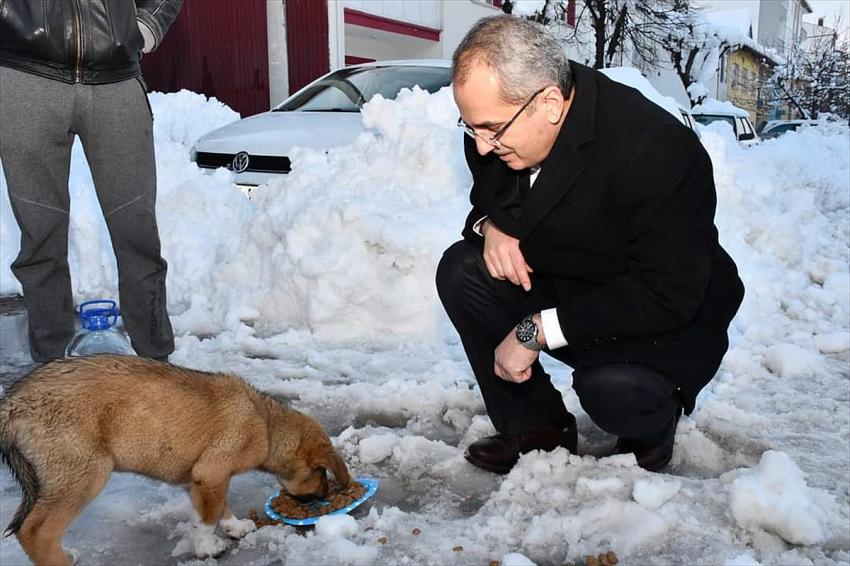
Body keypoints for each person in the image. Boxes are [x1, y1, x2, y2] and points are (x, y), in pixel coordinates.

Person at [437, 16, 744, 474]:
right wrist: (492, 224)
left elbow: (667, 292)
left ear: (551, 104)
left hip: (658, 313)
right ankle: (535, 426)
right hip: (574, 279)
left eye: (492, 131)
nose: (481, 147)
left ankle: (651, 425)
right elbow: (490, 182)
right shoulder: (504, 118)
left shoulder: (656, 150)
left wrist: (534, 330)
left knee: (612, 390)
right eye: (472, 128)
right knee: (462, 270)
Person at [0, 0, 183, 362]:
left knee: (138, 234)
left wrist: (145, 26)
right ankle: (51, 369)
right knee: (41, 239)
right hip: (25, 76)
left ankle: (156, 362)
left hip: (115, 81)